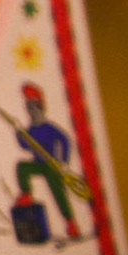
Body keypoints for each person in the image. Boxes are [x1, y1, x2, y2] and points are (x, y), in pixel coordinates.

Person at [13, 82, 80, 239]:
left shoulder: (49, 127)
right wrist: (19, 133)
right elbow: (25, 146)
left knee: (57, 191)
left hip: (52, 166)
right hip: (38, 164)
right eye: (29, 106)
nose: (32, 110)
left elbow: (65, 140)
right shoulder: (31, 130)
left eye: (35, 106)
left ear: (41, 106)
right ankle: (26, 194)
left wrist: (64, 161)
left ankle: (70, 222)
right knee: (22, 167)